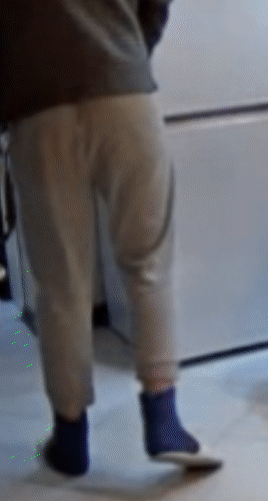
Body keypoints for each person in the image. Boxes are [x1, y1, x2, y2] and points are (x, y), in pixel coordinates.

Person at [1, 1, 222, 476]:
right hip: (124, 94)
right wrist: (125, 53)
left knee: (61, 285)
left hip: (38, 107)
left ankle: (69, 436)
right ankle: (164, 421)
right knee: (147, 263)